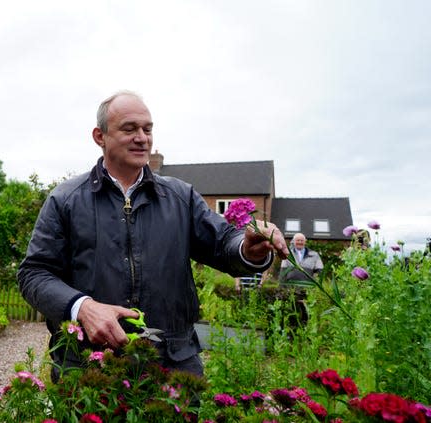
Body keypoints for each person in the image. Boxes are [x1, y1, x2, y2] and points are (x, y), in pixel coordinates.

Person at [17, 91, 289, 380]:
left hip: (171, 364)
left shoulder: (180, 197)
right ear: (100, 136)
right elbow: (34, 273)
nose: (142, 137)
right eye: (129, 128)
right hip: (89, 365)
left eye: (147, 129)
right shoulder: (66, 200)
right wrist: (82, 307)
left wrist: (248, 249)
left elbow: (224, 242)